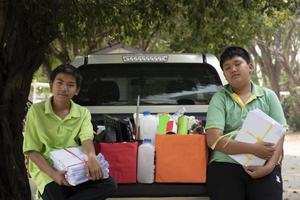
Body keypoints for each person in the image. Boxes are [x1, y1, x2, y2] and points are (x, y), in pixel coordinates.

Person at [23, 64, 117, 200]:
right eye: (59, 83)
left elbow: (86, 138)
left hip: (75, 169)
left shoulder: (83, 113)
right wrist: (54, 175)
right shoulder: (36, 111)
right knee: (57, 194)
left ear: (77, 90)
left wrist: (91, 157)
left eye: (70, 85)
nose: (64, 88)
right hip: (48, 171)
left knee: (110, 184)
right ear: (51, 85)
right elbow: (32, 150)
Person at [205, 46, 287, 200]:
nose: (233, 69)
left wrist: (269, 168)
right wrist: (253, 149)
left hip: (264, 164)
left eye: (237, 64)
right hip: (225, 163)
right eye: (227, 67)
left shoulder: (268, 96)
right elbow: (213, 139)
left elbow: (280, 134)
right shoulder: (219, 98)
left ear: (250, 67)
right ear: (224, 74)